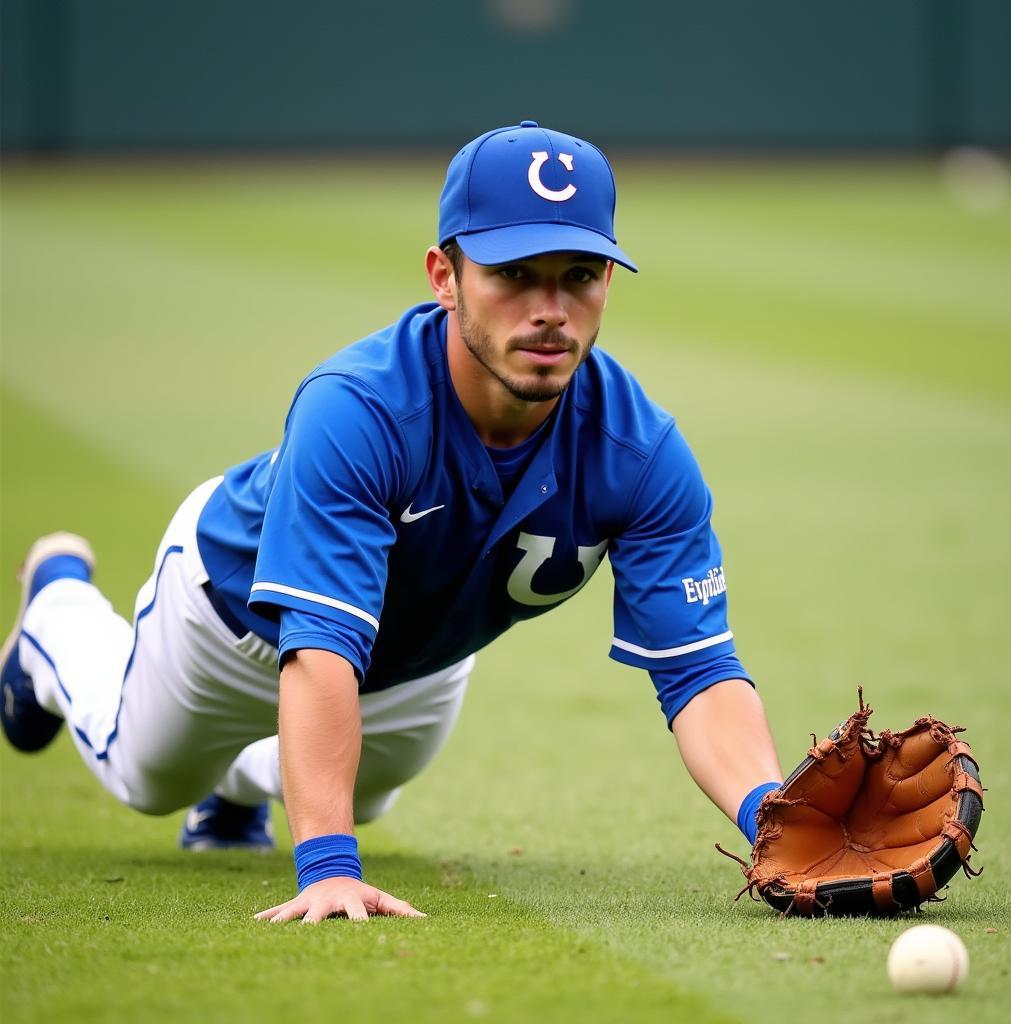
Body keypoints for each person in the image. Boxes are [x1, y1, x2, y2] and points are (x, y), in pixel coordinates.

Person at [1, 121, 783, 924]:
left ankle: (237, 790)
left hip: (416, 666)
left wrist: (777, 817)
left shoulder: (640, 451)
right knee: (147, 780)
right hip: (233, 618)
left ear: (608, 284)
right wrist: (327, 866)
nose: (550, 310)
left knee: (363, 797)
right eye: (513, 273)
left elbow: (695, 672)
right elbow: (318, 645)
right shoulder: (360, 408)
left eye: (579, 274)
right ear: (444, 276)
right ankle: (55, 614)